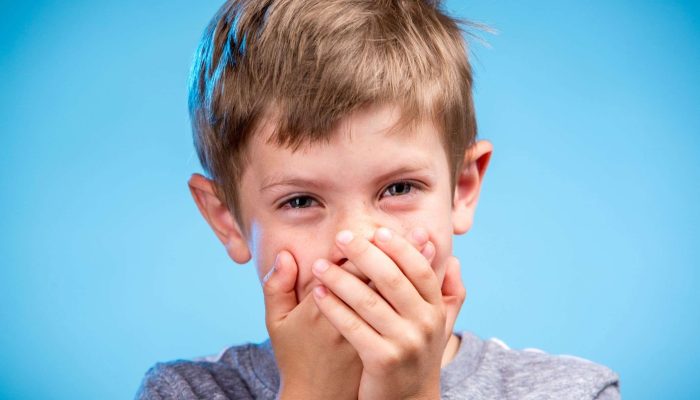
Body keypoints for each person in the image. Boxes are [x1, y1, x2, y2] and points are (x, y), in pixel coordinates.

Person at [136, 0, 620, 398]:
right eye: (301, 201)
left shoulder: (574, 391)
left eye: (399, 189)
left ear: (463, 189)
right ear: (228, 219)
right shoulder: (186, 391)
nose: (356, 241)